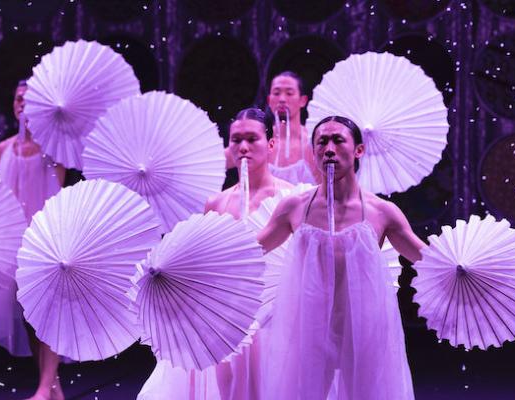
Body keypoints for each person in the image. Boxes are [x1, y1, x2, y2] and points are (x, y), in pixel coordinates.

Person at [257, 115, 424, 399]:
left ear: (359, 150)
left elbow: (425, 259)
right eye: (321, 142)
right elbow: (251, 252)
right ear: (313, 151)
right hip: (308, 327)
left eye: (338, 140)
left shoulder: (381, 212)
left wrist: (464, 265)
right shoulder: (294, 207)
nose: (329, 149)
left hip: (362, 327)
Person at [138, 108, 292, 400]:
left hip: (275, 312)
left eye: (252, 139)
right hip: (226, 314)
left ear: (271, 143)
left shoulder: (290, 198)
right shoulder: (217, 202)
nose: (243, 147)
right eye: (236, 140)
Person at [0, 80, 66, 400]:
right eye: (18, 99)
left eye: (28, 99)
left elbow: (56, 195)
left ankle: (43, 389)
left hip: (43, 240)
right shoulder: (3, 149)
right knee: (29, 318)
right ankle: (53, 389)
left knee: (47, 315)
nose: (22, 104)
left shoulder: (52, 151)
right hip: (11, 243)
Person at [225, 72, 318, 185]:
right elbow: (218, 161)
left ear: (303, 100)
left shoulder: (313, 142)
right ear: (269, 100)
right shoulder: (257, 139)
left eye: (289, 93)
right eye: (276, 93)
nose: (282, 99)